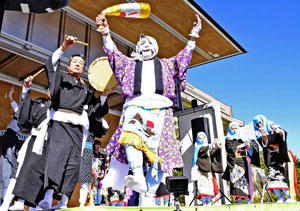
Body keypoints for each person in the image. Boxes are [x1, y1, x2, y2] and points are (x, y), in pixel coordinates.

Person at [96, 13, 202, 206]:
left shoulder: (167, 65)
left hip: (161, 111)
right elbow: (113, 54)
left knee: (161, 154)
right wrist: (105, 33)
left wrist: (193, 36)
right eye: (141, 45)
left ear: (155, 48)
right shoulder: (129, 65)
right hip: (135, 107)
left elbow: (184, 58)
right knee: (130, 137)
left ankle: (150, 194)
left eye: (148, 44)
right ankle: (137, 175)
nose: (144, 47)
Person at [37, 34, 109, 210]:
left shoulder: (86, 89)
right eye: (74, 61)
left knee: (74, 165)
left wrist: (105, 95)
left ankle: (63, 202)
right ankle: (47, 196)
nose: (78, 64)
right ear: (68, 66)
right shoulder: (61, 79)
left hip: (78, 130)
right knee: (56, 159)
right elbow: (51, 66)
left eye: (81, 63)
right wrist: (63, 48)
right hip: (60, 124)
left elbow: (95, 111)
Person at [253, 115, 295, 203]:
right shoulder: (259, 135)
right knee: (273, 179)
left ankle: (289, 197)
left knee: (283, 177)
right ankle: (280, 198)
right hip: (270, 158)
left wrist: (278, 129)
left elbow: (283, 135)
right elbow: (264, 143)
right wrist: (263, 134)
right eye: (257, 124)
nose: (259, 125)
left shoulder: (274, 129)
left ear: (264, 121)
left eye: (260, 122)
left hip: (280, 157)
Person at [222, 122, 256, 204]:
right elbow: (230, 149)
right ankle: (239, 201)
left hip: (243, 162)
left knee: (245, 181)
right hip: (234, 162)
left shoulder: (243, 138)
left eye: (235, 128)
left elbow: (250, 150)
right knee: (235, 181)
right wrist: (239, 147)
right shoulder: (228, 139)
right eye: (232, 128)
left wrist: (248, 146)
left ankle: (248, 201)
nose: (234, 130)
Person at [0, 87, 21, 205]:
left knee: (8, 167)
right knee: (5, 168)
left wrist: (11, 96)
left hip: (11, 138)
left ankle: (7, 201)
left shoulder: (24, 116)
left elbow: (17, 107)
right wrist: (10, 95)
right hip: (9, 138)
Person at [191, 132, 221, 206]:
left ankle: (209, 203)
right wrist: (209, 146)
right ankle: (204, 203)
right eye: (200, 138)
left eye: (203, 138)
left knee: (210, 186)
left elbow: (213, 153)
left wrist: (218, 147)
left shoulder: (208, 146)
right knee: (202, 186)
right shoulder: (197, 146)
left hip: (209, 169)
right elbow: (202, 151)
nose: (201, 140)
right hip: (201, 169)